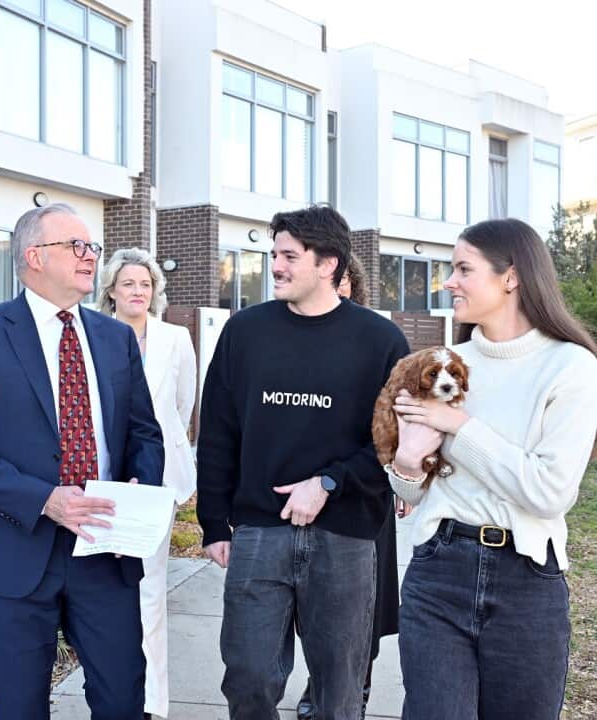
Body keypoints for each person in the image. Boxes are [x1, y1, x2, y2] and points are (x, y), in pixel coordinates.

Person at [0, 203, 164, 720]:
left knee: (124, 700)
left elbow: (145, 434)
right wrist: (44, 500)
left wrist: (136, 496)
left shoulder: (114, 337)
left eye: (92, 248)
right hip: (13, 550)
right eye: (75, 246)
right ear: (34, 257)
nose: (90, 257)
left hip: (105, 550)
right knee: (18, 708)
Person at [387, 218, 597, 720]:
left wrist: (458, 425)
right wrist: (405, 464)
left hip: (527, 581)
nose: (449, 282)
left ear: (510, 276)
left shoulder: (569, 366)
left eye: (462, 269)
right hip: (438, 570)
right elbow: (414, 487)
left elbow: (548, 493)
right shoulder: (445, 363)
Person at [196, 205, 410, 720]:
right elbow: (219, 432)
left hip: (346, 536)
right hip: (258, 531)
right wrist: (213, 523)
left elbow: (394, 438)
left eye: (290, 256)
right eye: (274, 255)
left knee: (339, 690)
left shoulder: (379, 340)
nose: (276, 266)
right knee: (247, 678)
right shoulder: (243, 333)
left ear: (329, 263)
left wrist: (330, 483)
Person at [297, 251, 402, 720]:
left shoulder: (374, 342)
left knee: (366, 610)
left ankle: (355, 688)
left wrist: (400, 480)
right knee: (318, 610)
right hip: (308, 498)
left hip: (365, 497)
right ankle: (320, 684)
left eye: (340, 291)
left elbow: (394, 426)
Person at [96, 248, 198, 720]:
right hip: (101, 480)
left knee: (151, 588)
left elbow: (181, 408)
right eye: (129, 283)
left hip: (158, 482)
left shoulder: (176, 339)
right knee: (111, 595)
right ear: (111, 290)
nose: (138, 292)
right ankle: (119, 692)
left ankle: (153, 704)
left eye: (145, 284)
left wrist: (156, 462)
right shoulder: (94, 335)